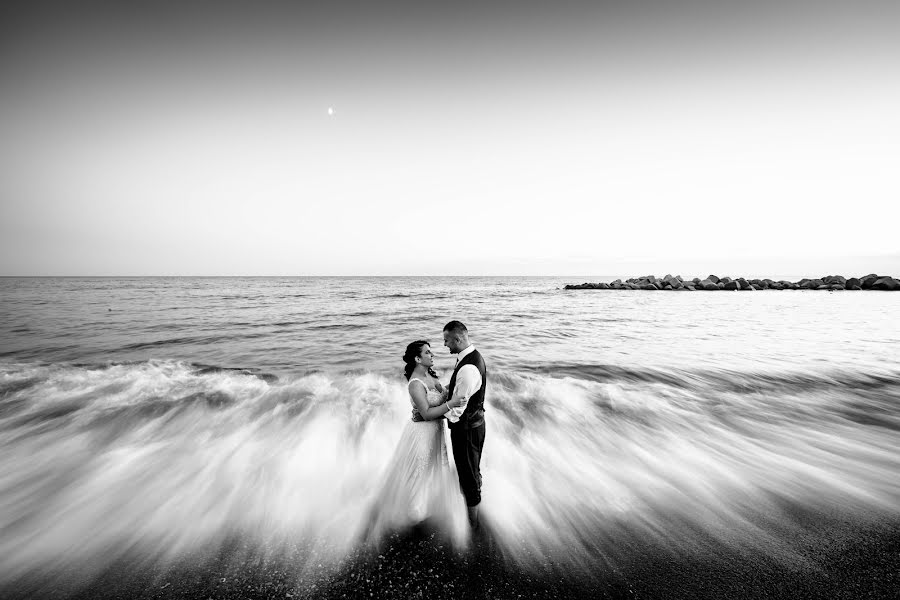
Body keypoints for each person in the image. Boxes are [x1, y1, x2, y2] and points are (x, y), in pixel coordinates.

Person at [365, 340, 467, 541]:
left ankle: (427, 509)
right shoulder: (415, 384)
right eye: (427, 352)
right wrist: (452, 403)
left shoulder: (430, 376)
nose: (432, 355)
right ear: (417, 358)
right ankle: (412, 516)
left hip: (436, 432)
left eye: (431, 352)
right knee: (418, 472)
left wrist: (460, 381)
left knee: (433, 469)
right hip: (421, 434)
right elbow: (427, 413)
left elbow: (442, 396)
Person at [442, 320, 487, 529]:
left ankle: (474, 526)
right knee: (469, 470)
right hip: (473, 426)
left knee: (468, 476)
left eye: (447, 340)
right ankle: (472, 509)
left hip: (466, 430)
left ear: (458, 339)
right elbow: (459, 394)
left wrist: (431, 415)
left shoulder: (468, 367)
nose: (445, 345)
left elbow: (457, 409)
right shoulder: (469, 359)